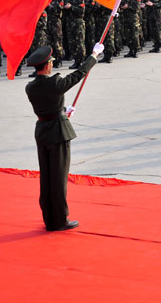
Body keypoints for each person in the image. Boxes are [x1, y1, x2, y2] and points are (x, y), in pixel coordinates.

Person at [24, 41, 103, 231]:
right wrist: (93, 56)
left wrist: (62, 111)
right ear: (48, 65)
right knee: (58, 179)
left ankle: (49, 218)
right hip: (58, 133)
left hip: (43, 130)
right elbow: (79, 75)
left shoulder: (30, 87)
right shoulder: (55, 83)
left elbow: (47, 105)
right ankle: (59, 220)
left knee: (47, 177)